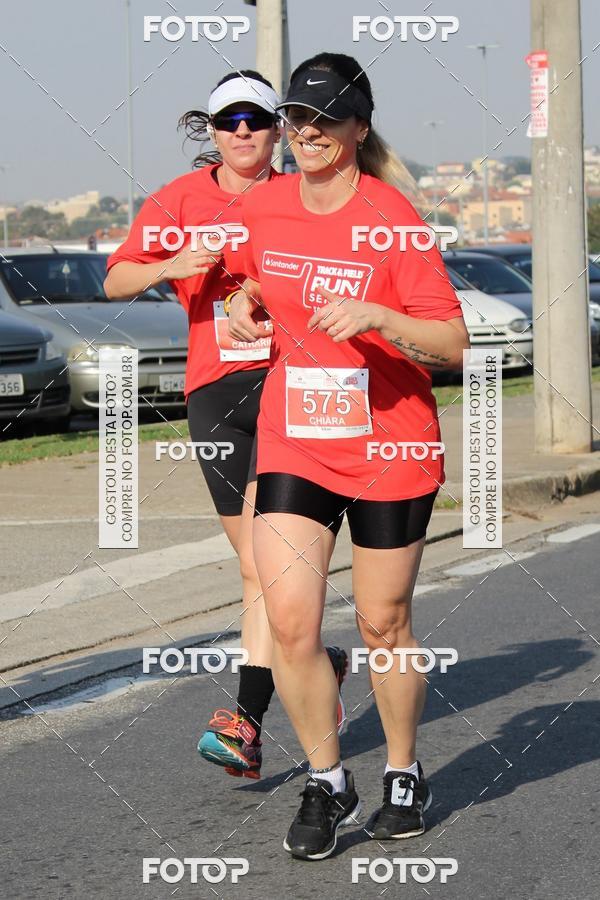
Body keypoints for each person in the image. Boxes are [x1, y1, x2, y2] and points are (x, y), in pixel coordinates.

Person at [228, 52, 470, 858]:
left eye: (327, 119)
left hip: (390, 440)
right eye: (296, 117)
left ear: (359, 128)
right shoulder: (265, 207)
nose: (307, 132)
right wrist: (243, 300)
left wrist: (376, 315)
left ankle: (404, 770)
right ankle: (329, 780)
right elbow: (252, 279)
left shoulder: (392, 218)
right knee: (291, 620)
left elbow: (451, 341)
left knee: (382, 621)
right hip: (298, 435)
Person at [104, 70, 348, 781]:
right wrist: (171, 263)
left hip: (288, 386)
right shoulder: (179, 199)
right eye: (227, 121)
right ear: (208, 131)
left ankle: (245, 721)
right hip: (213, 394)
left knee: (262, 569)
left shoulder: (297, 194)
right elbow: (116, 278)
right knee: (258, 570)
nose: (243, 132)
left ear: (278, 127)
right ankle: (311, 659)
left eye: (256, 119)